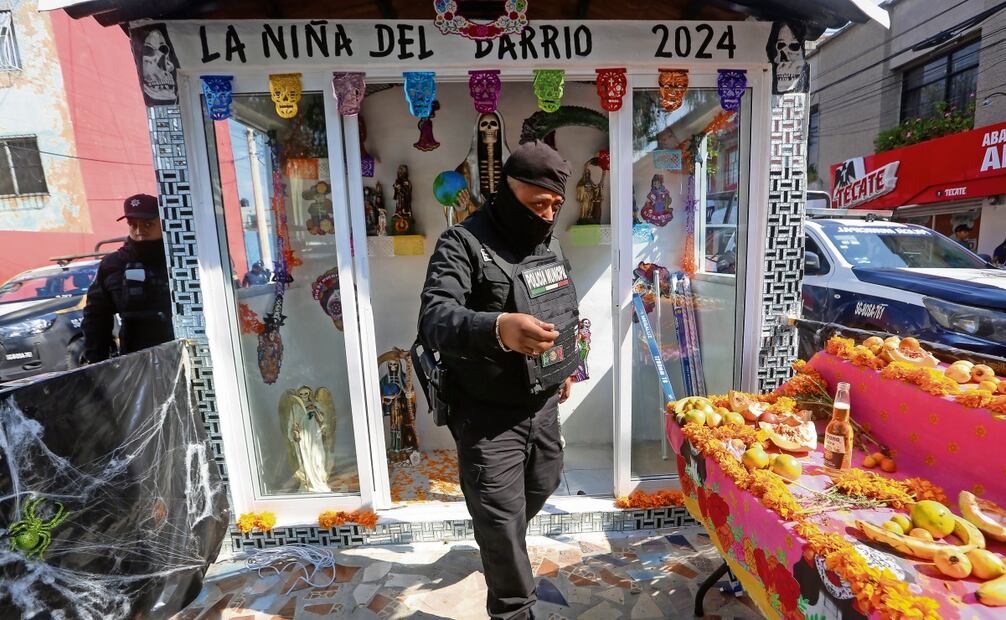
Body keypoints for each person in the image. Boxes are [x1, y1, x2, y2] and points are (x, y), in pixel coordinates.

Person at [418, 141, 580, 620]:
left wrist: (565, 366)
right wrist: (498, 328)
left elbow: (561, 307)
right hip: (486, 415)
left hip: (542, 403)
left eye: (555, 205)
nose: (547, 215)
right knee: (502, 522)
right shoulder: (462, 243)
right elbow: (435, 317)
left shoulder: (547, 242)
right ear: (508, 189)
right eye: (538, 203)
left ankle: (498, 536)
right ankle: (512, 605)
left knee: (545, 481)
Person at [82, 194, 174, 362]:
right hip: (135, 359)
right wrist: (97, 363)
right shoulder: (114, 264)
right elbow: (96, 317)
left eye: (148, 224)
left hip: (185, 352)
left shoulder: (181, 260)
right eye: (133, 225)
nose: (139, 231)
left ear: (163, 223)